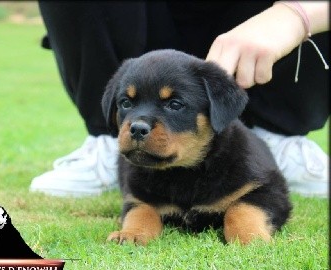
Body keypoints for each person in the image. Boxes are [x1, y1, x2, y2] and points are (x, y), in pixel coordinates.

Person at [30, 1, 329, 198]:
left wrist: (296, 15)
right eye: (125, 104)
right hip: (135, 25)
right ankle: (106, 141)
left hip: (260, 34)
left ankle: (279, 136)